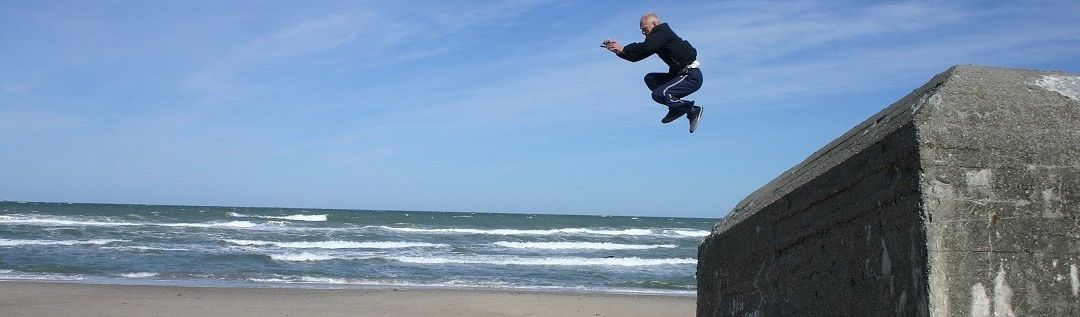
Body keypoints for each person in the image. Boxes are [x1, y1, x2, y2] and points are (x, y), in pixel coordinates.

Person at [603, 12, 704, 133]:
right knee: (650, 79)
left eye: (644, 29)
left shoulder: (662, 32)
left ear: (654, 23)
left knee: (658, 94)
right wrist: (618, 52)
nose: (643, 32)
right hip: (679, 76)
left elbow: (646, 47)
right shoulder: (657, 41)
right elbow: (637, 56)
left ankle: (692, 110)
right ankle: (675, 107)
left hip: (690, 76)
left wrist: (624, 48)